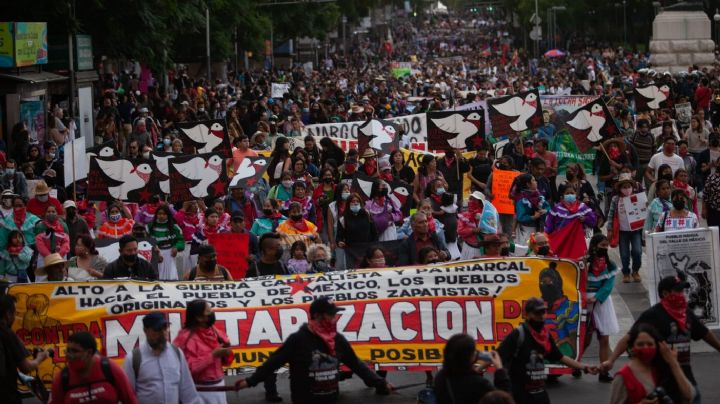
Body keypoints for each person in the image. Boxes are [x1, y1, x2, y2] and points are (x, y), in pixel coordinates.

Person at [235, 297, 392, 402]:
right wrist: (249, 382)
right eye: (331, 315)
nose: (335, 319)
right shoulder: (298, 340)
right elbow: (272, 363)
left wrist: (379, 383)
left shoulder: (337, 339)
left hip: (331, 399)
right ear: (317, 316)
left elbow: (356, 364)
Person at [603, 275, 720, 403]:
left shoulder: (686, 313)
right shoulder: (653, 315)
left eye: (683, 291)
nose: (682, 294)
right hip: (664, 383)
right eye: (678, 291)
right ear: (665, 293)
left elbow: (704, 333)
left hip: (687, 380)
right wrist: (611, 360)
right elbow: (629, 337)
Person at [497, 297, 598, 404]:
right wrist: (480, 368)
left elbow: (560, 357)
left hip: (540, 395)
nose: (541, 317)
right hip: (520, 396)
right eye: (537, 313)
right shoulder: (518, 335)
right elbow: (497, 356)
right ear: (526, 315)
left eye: (543, 312)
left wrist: (585, 367)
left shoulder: (545, 335)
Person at [123, 312, 201, 404]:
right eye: (157, 329)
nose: (163, 333)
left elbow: (188, 391)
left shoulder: (177, 353)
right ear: (146, 330)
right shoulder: (133, 358)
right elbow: (127, 395)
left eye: (165, 328)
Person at [609, 323, 695, 404]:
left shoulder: (662, 369)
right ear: (632, 347)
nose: (646, 348)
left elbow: (688, 396)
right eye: (640, 344)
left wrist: (673, 363)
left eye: (650, 344)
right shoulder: (623, 377)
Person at [173, 299, 235, 404]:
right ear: (199, 317)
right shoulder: (185, 338)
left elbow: (226, 361)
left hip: (219, 387)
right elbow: (187, 369)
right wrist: (212, 355)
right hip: (198, 390)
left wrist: (226, 352)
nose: (212, 313)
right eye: (208, 311)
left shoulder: (215, 331)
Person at [50, 331, 137, 404]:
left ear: (89, 353)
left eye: (74, 351)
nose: (69, 355)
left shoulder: (109, 368)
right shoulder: (62, 378)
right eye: (67, 350)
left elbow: (130, 400)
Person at [0, 294, 51, 404]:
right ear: (8, 314)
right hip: (6, 395)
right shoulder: (7, 334)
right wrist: (40, 358)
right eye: (15, 313)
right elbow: (26, 367)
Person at [433, 334, 510, 404]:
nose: (477, 353)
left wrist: (479, 368)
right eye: (474, 351)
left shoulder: (441, 376)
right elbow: (504, 399)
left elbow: (462, 378)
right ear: (468, 358)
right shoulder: (479, 384)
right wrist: (499, 369)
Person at [584, 234, 619, 383]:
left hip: (602, 301)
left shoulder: (610, 265)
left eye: (606, 246)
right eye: (602, 245)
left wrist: (597, 297)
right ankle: (575, 365)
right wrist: (585, 298)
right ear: (594, 245)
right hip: (585, 301)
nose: (604, 248)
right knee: (585, 337)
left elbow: (609, 285)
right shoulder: (584, 262)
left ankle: (603, 372)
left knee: (604, 338)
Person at [607, 173, 643, 283]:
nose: (627, 189)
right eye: (624, 187)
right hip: (622, 231)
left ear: (633, 187)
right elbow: (611, 214)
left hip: (636, 230)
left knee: (637, 251)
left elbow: (643, 212)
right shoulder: (616, 199)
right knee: (624, 254)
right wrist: (609, 229)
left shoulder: (637, 198)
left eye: (629, 186)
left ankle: (635, 271)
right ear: (620, 188)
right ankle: (626, 272)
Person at [148, 205, 184, 280]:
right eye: (159, 214)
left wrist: (176, 247)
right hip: (156, 254)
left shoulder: (174, 228)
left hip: (170, 254)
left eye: (164, 214)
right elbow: (146, 242)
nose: (161, 216)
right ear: (156, 215)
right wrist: (155, 252)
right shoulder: (150, 227)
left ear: (168, 215)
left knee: (172, 276)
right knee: (158, 275)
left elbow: (180, 240)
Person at [513, 174, 550, 246]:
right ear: (528, 184)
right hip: (526, 230)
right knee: (526, 250)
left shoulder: (539, 196)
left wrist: (545, 211)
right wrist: (533, 217)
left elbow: (548, 207)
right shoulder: (521, 200)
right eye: (533, 180)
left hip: (539, 228)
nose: (536, 182)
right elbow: (520, 217)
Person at [702, 156, 720, 226]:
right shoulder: (711, 177)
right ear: (717, 164)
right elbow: (705, 194)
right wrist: (704, 209)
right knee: (714, 233)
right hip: (713, 211)